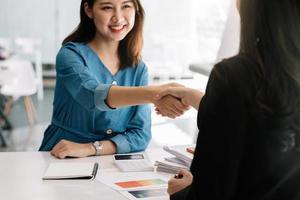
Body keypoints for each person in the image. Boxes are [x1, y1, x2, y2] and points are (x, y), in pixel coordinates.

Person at [157, 0, 300, 199]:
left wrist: (183, 192)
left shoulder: (235, 76)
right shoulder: (285, 74)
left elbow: (210, 191)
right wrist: (193, 96)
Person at [39, 0, 188, 159]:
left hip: (110, 161)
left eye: (126, 6)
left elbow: (140, 135)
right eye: (107, 7)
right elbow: (92, 95)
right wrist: (157, 94)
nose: (118, 18)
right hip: (61, 155)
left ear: (135, 9)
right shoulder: (70, 55)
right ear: (89, 10)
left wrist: (91, 148)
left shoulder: (138, 69)